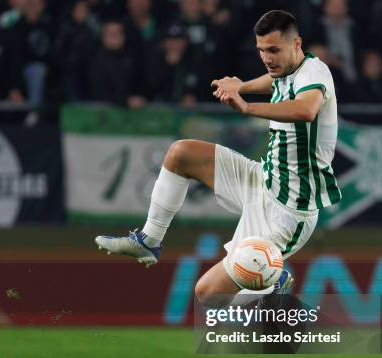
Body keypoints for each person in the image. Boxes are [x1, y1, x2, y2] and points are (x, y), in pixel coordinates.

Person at [95, 10, 341, 308]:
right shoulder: (288, 69)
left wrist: (247, 107)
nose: (267, 58)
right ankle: (149, 241)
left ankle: (274, 279)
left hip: (290, 211)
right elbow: (274, 80)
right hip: (262, 179)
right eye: (261, 50)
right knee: (181, 153)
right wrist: (243, 86)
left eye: (274, 50)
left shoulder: (315, 72)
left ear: (297, 44)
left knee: (207, 295)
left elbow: (305, 110)